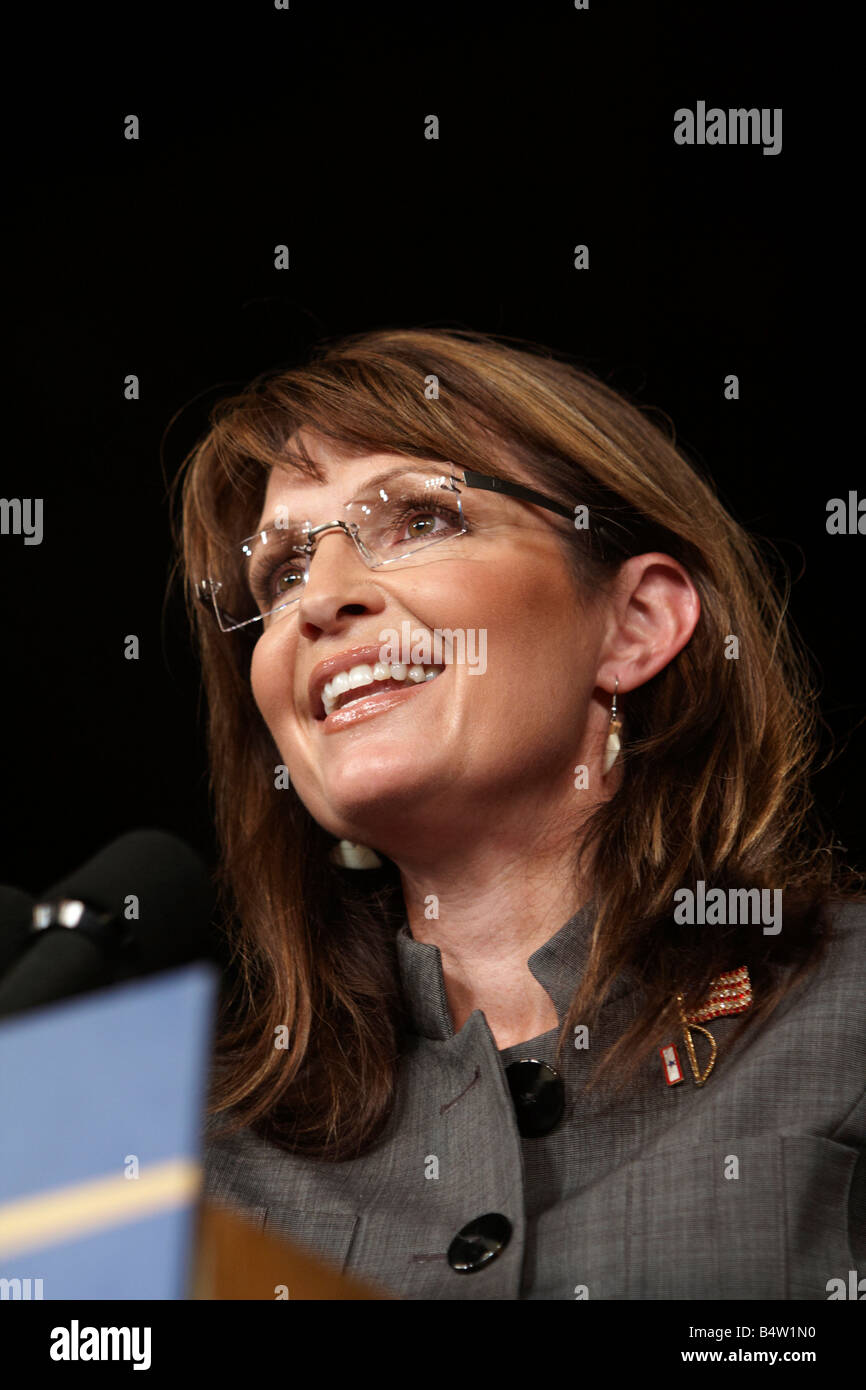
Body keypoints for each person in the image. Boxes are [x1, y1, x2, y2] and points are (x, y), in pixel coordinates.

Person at [174, 326, 865, 1300]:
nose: (319, 600)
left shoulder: (847, 1011)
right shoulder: (185, 1164)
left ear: (632, 627)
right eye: (279, 572)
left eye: (420, 518)